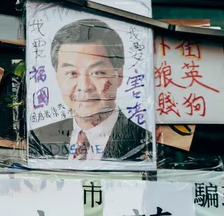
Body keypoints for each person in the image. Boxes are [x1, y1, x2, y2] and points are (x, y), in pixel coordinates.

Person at [29, 18, 152, 163]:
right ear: (57, 77)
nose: (84, 86)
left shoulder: (146, 142)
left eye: (97, 72)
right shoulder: (38, 139)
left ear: (119, 75)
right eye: (72, 73)